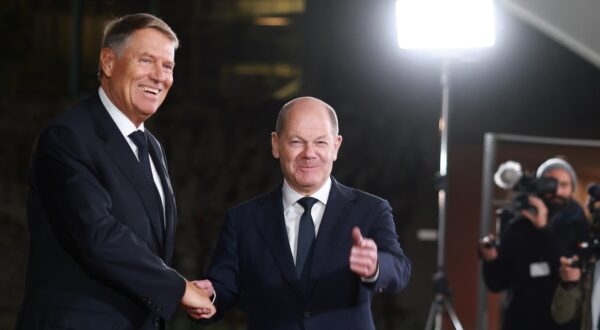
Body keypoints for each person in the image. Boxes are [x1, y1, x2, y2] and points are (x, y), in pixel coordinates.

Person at [17, 13, 214, 330]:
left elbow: (143, 245)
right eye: (146, 60)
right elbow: (97, 235)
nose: (159, 76)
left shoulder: (152, 147)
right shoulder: (68, 137)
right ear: (108, 62)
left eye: (168, 66)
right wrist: (177, 289)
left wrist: (177, 284)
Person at [189, 97, 411, 329]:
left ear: (336, 146)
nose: (309, 153)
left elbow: (400, 270)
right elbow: (223, 287)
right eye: (296, 142)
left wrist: (376, 266)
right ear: (276, 144)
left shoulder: (371, 210)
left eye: (321, 143)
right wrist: (209, 294)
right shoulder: (243, 220)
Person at [479, 158, 590, 330]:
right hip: (519, 322)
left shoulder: (581, 225)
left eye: (563, 184)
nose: (556, 190)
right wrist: (490, 260)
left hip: (562, 324)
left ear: (572, 189)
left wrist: (544, 228)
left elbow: (571, 271)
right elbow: (496, 284)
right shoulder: (518, 226)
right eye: (549, 183)